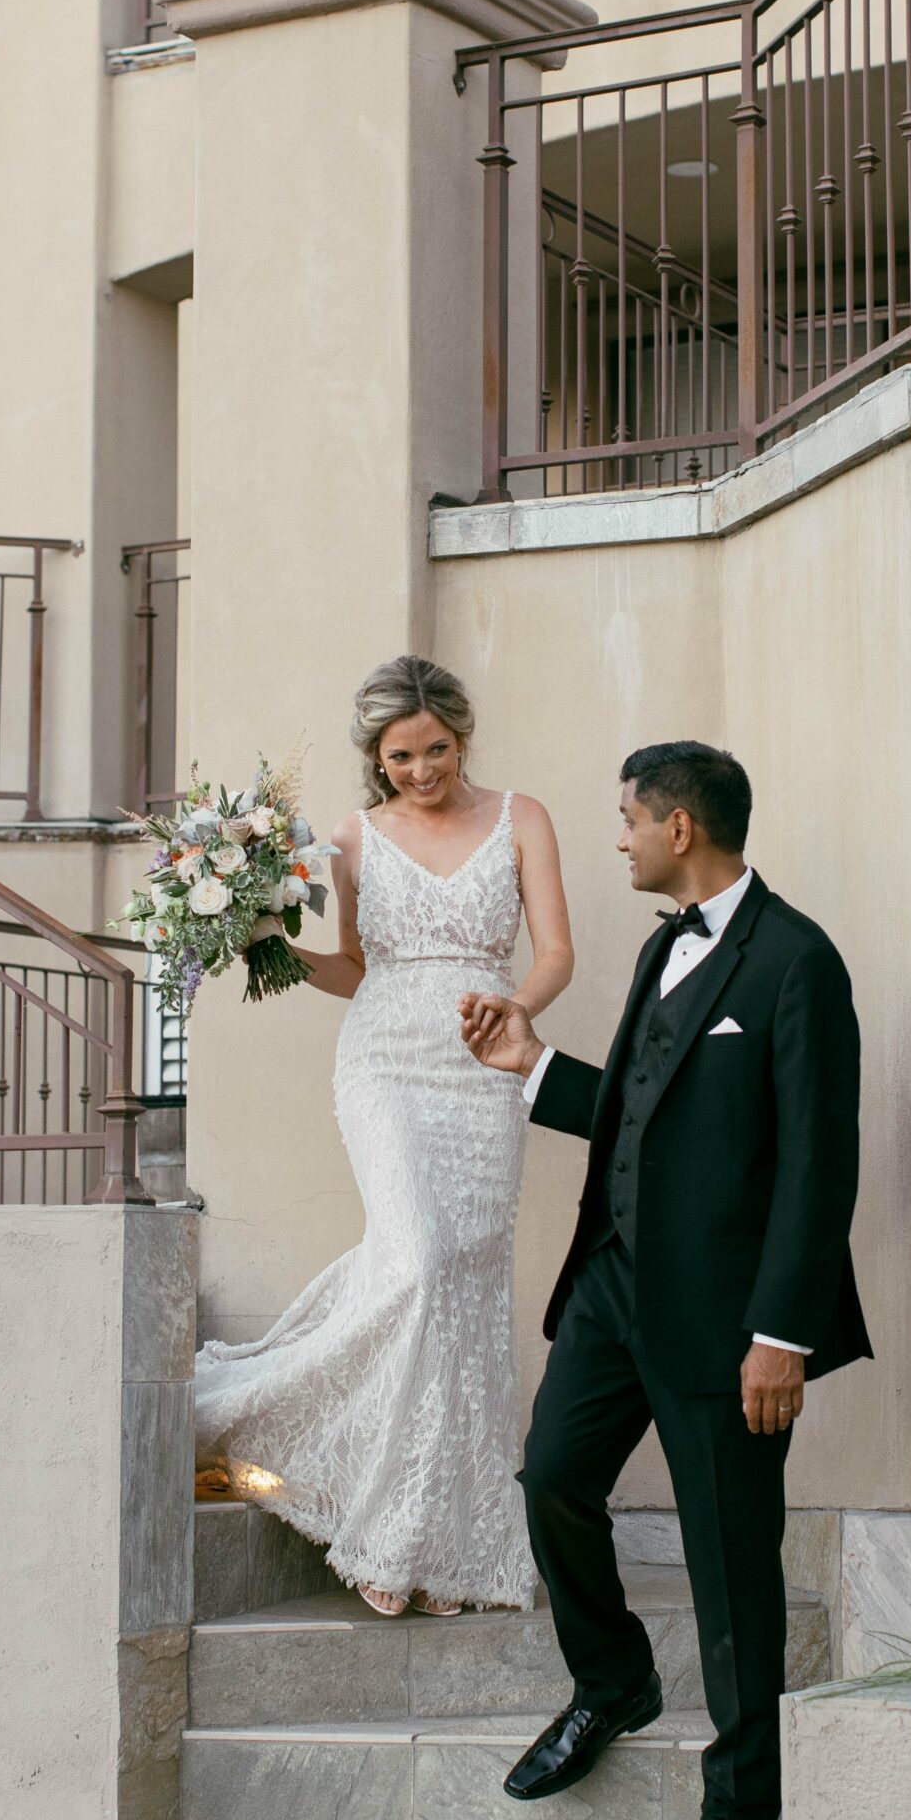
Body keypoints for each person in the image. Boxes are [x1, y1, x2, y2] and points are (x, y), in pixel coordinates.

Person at [460, 741, 870, 1820]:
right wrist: (530, 1065)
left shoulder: (796, 962)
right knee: (551, 1478)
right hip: (614, 1290)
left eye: (629, 818)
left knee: (731, 1564)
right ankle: (613, 1681)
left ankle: (742, 1813)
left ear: (680, 827)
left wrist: (781, 1333)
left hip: (731, 1322)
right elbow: (642, 1117)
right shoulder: (661, 947)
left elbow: (817, 1165)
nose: (621, 836)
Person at [195, 655, 574, 1617]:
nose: (421, 771)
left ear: (462, 736)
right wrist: (268, 948)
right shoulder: (350, 838)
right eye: (401, 756)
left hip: (485, 1068)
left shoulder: (522, 817)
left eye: (436, 750)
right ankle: (332, 1478)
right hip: (385, 1065)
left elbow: (557, 952)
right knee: (416, 1263)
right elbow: (356, 967)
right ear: (378, 755)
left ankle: (435, 1539)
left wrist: (513, 1005)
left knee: (465, 1287)